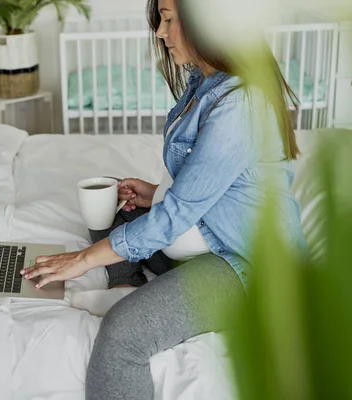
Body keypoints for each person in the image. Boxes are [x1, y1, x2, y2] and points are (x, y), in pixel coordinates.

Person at [21, 0, 307, 398]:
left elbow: (178, 214)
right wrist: (153, 194)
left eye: (169, 19)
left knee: (122, 336)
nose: (160, 32)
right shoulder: (203, 83)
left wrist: (81, 260)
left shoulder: (240, 105)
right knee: (117, 212)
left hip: (246, 262)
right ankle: (128, 286)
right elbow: (215, 185)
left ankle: (130, 296)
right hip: (209, 231)